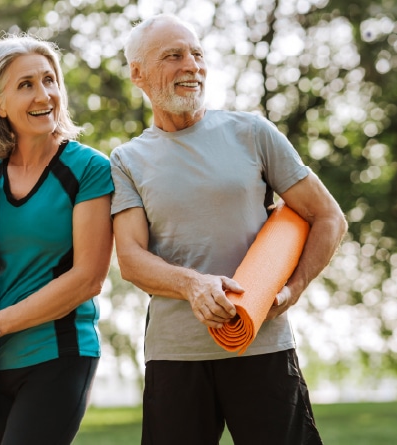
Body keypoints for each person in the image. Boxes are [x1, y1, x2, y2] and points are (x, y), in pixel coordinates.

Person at [110, 14, 348, 445]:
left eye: (197, 54)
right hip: (175, 355)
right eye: (173, 56)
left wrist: (292, 290)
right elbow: (131, 259)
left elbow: (328, 216)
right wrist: (192, 285)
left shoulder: (252, 133)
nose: (191, 65)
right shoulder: (127, 160)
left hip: (262, 345)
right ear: (138, 73)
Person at [0, 33, 114, 445]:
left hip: (58, 353)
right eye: (25, 85)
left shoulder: (87, 169)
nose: (43, 94)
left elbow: (88, 278)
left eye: (49, 80)